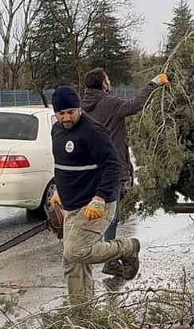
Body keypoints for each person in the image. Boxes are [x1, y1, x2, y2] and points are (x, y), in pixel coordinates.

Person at [50, 85, 141, 304]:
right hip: (72, 204)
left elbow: (113, 166)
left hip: (96, 204)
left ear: (79, 108)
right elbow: (63, 165)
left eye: (70, 112)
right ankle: (82, 313)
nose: (66, 117)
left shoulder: (93, 131)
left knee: (77, 251)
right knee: (72, 261)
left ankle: (128, 248)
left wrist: (100, 198)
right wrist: (58, 191)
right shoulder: (56, 130)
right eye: (61, 113)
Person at [80, 68, 171, 253]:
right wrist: (154, 83)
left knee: (95, 211)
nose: (110, 82)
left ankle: (91, 249)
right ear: (103, 83)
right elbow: (137, 104)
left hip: (90, 167)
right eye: (107, 79)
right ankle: (109, 255)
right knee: (112, 214)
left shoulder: (82, 107)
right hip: (111, 167)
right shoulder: (109, 103)